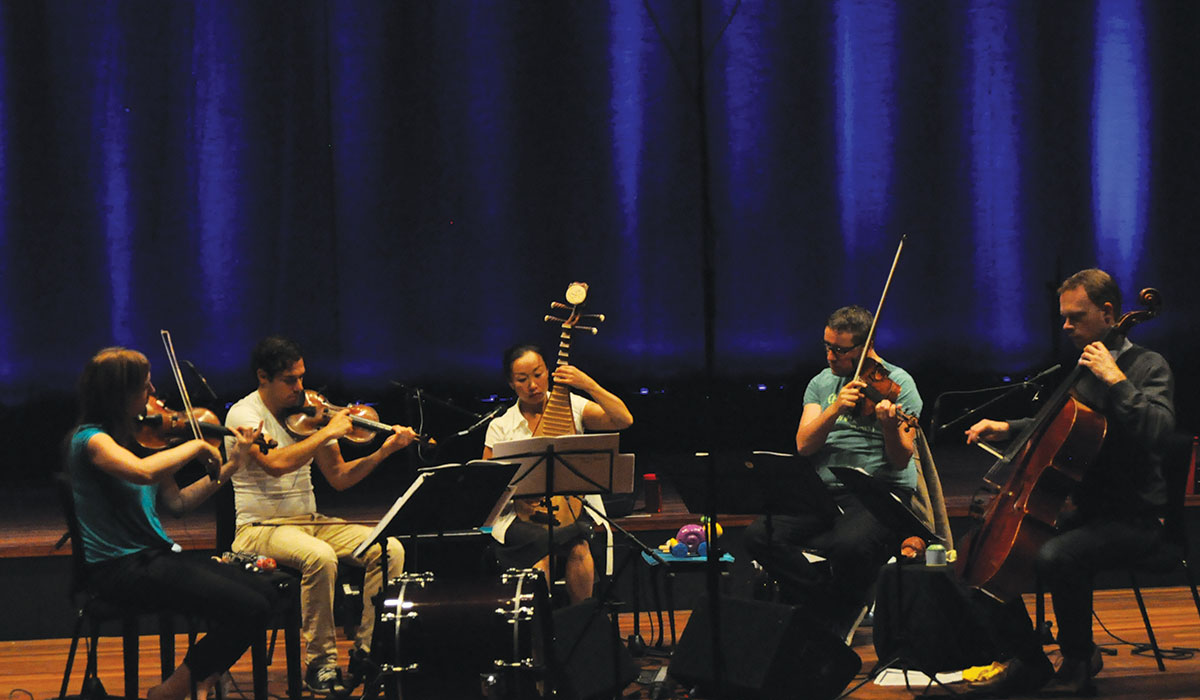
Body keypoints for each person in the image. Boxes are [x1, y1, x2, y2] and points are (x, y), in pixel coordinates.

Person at [963, 268, 1175, 696]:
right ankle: (1028, 660)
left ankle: (1077, 658)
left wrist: (1116, 380)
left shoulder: (1147, 366)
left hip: (1136, 517)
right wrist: (1007, 427)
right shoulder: (1083, 368)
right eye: (1063, 316)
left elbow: (1160, 430)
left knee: (1057, 556)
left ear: (1108, 313)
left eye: (1075, 316)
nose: (1065, 326)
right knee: (976, 551)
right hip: (1086, 511)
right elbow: (1060, 425)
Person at [67, 347, 275, 700]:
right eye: (144, 386)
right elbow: (142, 472)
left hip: (153, 559)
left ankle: (191, 683)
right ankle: (173, 691)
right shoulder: (91, 441)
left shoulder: (141, 441)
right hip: (117, 570)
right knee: (249, 607)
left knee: (265, 596)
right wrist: (196, 446)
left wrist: (232, 465)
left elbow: (178, 503)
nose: (154, 393)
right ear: (119, 394)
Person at [224, 336, 418, 694]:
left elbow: (340, 477)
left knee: (389, 548)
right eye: (290, 380)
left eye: (301, 377)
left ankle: (368, 653)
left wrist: (384, 451)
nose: (300, 388)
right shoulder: (244, 415)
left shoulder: (310, 415)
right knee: (320, 557)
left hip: (310, 522)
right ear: (263, 377)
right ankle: (321, 664)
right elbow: (275, 465)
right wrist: (326, 431)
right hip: (258, 527)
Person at [743, 305, 923, 641]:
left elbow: (901, 460)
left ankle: (832, 609)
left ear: (866, 347)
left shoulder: (899, 383)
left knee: (849, 546)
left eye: (840, 350)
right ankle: (836, 605)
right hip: (823, 492)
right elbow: (804, 445)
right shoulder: (821, 383)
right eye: (827, 346)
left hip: (876, 492)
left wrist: (888, 426)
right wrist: (835, 407)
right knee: (758, 535)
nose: (830, 356)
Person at [482, 344, 633, 604]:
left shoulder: (572, 406)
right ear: (511, 383)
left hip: (571, 508)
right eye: (522, 379)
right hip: (519, 516)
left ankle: (582, 618)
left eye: (538, 374)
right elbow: (487, 483)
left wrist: (588, 385)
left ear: (548, 372)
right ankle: (542, 621)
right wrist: (517, 494)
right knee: (540, 547)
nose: (532, 385)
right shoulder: (501, 425)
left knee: (579, 544)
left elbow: (623, 420)